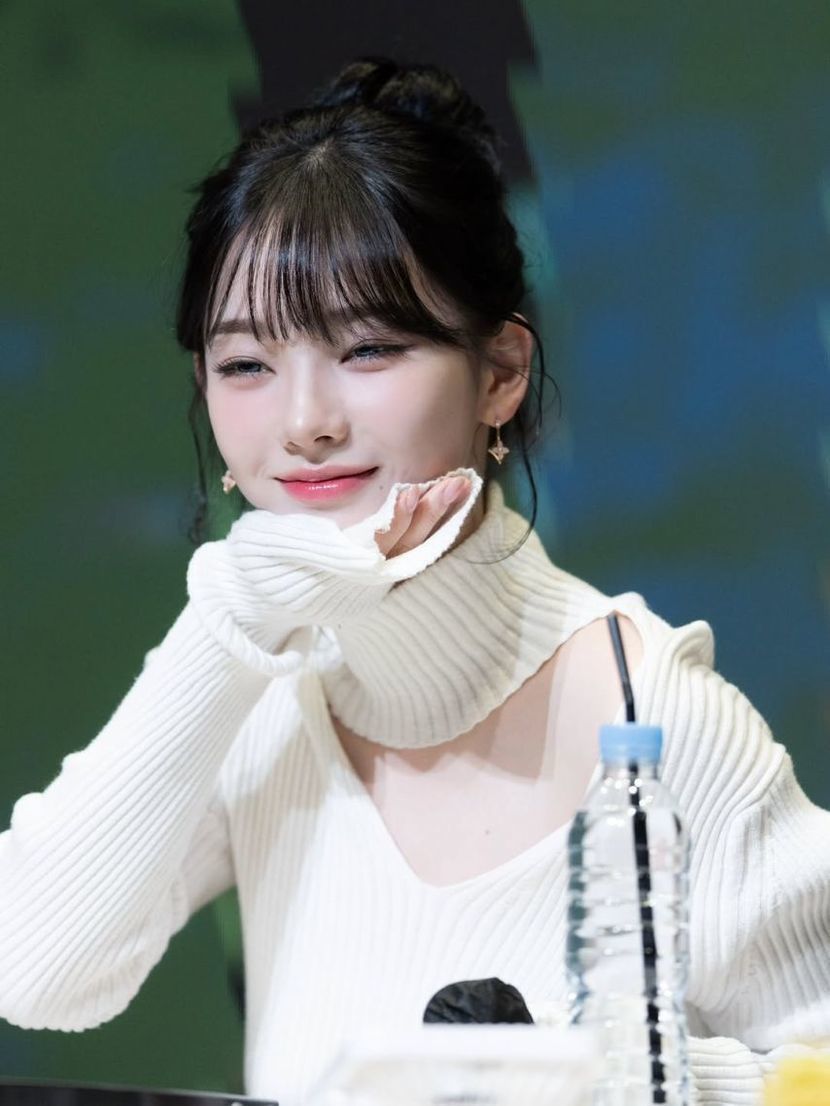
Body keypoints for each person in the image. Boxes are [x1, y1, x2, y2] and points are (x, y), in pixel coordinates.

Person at [0, 57, 828, 1106]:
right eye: (246, 365)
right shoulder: (260, 679)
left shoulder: (657, 716)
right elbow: (35, 967)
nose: (304, 422)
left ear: (501, 373)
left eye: (369, 348)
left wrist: (592, 1076)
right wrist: (236, 610)